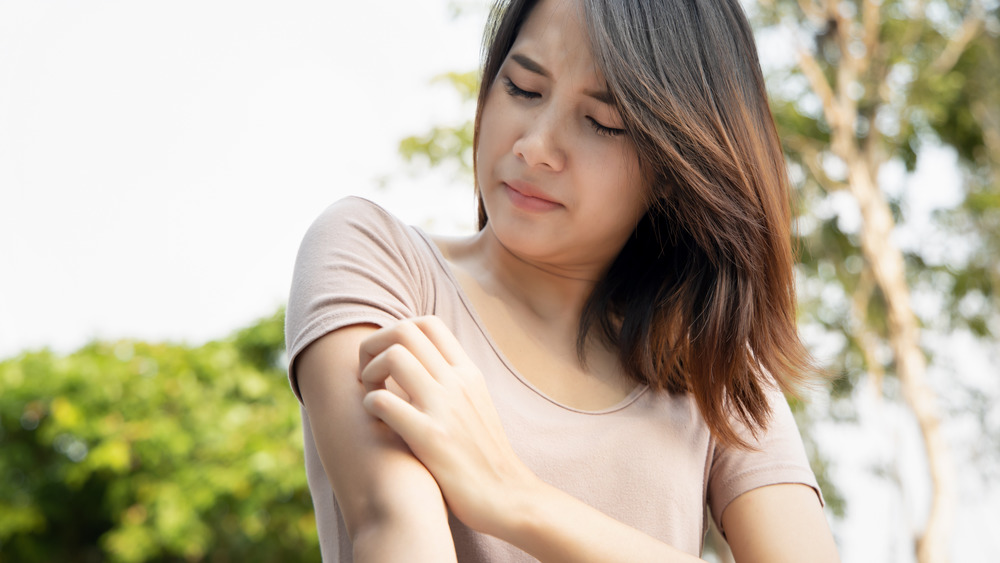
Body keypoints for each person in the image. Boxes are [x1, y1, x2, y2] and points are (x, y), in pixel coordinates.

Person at [285, 0, 841, 560]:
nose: (535, 146)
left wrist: (515, 497)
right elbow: (391, 526)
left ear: (676, 171)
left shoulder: (714, 371)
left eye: (603, 123)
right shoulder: (380, 262)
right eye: (524, 88)